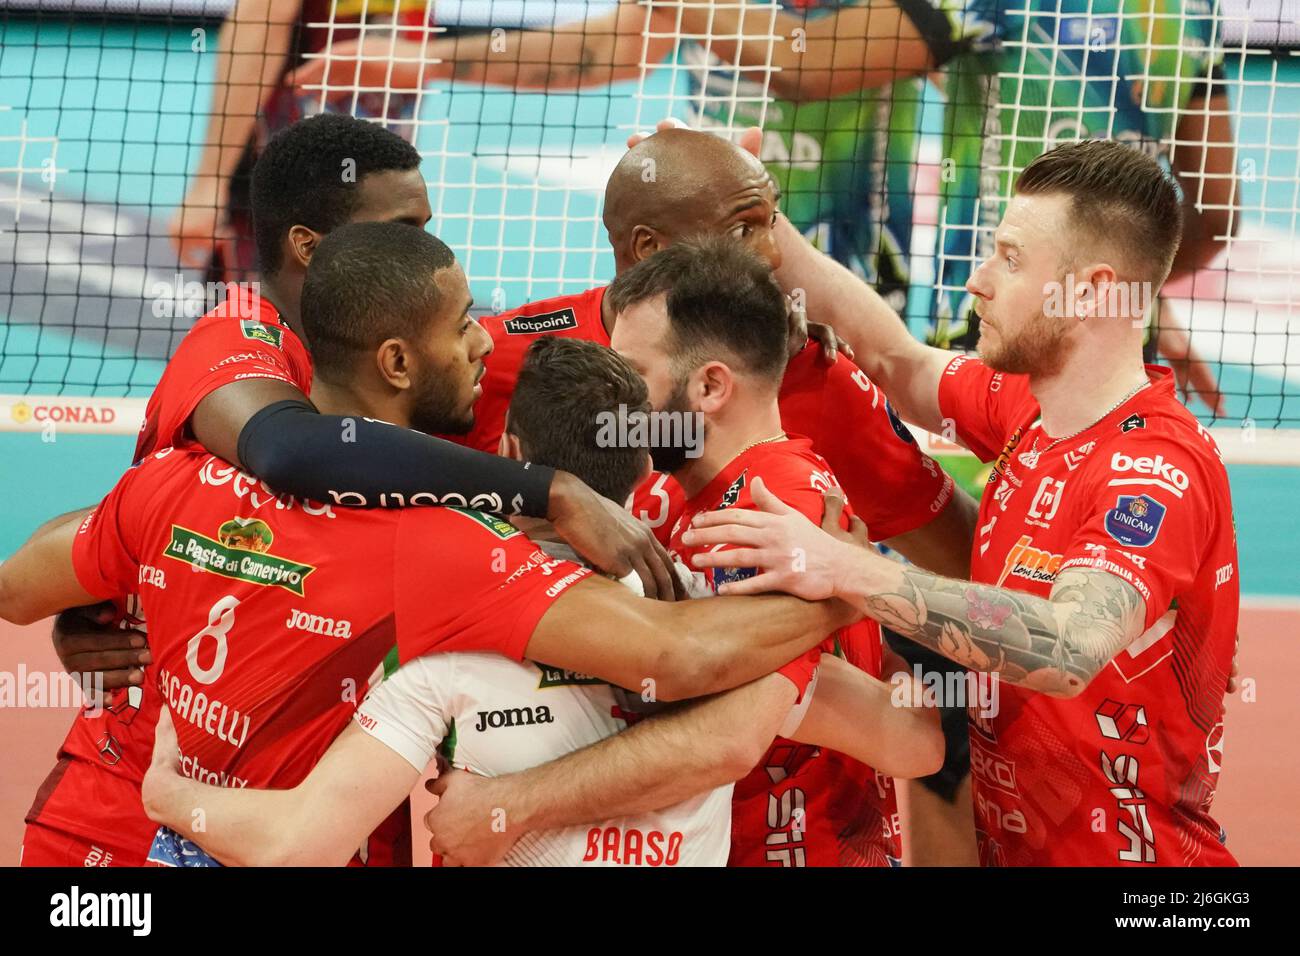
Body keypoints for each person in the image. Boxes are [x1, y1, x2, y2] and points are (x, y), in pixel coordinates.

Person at [0, 223, 862, 865]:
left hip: (147, 844)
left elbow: (20, 584)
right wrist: (843, 582)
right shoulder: (444, 550)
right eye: (462, 325)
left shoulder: (177, 480)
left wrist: (104, 608)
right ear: (399, 364)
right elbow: (683, 655)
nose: (489, 340)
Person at [23, 114, 674, 869]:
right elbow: (289, 449)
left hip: (329, 824)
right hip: (137, 813)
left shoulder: (435, 349)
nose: (429, 248)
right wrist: (552, 490)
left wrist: (741, 293)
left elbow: (621, 337)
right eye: (404, 226)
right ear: (310, 246)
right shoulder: (241, 341)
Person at [136, 334, 941, 867]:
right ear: (642, 475)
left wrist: (168, 791)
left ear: (513, 452)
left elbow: (294, 847)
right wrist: (854, 584)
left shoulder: (438, 651)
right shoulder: (726, 631)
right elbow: (916, 745)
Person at [691, 139, 1240, 866]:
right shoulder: (1029, 405)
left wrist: (847, 570)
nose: (977, 282)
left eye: (1010, 260)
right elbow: (894, 358)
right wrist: (754, 210)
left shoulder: (1151, 469)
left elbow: (1069, 646)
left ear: (1092, 290)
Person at [417, 236, 942, 867]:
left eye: (632, 379)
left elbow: (726, 740)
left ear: (711, 387)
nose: (614, 407)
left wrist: (503, 808)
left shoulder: (771, 499)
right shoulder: (714, 491)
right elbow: (902, 724)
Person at [460, 128, 977, 584]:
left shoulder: (802, 370)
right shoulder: (499, 355)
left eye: (771, 222)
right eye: (741, 231)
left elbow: (972, 562)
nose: (774, 257)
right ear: (648, 248)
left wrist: (864, 584)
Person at [286, 0, 984, 311]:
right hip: (694, 259)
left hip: (837, 275)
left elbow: (802, 62)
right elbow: (618, 46)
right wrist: (428, 61)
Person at [932, 0, 1235, 414]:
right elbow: (1218, 216)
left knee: (986, 477)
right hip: (1116, 329)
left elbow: (863, 52)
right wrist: (1140, 288)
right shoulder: (1192, 8)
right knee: (1102, 474)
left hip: (988, 321)